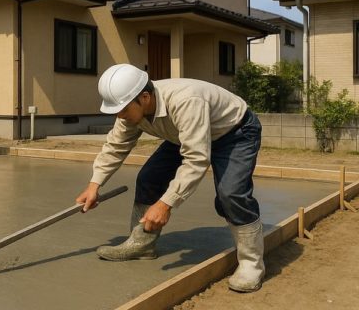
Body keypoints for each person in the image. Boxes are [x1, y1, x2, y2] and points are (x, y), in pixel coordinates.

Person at [75, 63, 265, 292]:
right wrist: (95, 184)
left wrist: (166, 204)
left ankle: (251, 263)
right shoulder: (131, 109)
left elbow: (196, 159)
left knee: (230, 194)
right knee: (149, 178)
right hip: (184, 134)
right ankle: (142, 245)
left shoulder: (186, 101)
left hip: (235, 132)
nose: (119, 115)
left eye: (123, 109)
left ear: (144, 97)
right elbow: (115, 146)